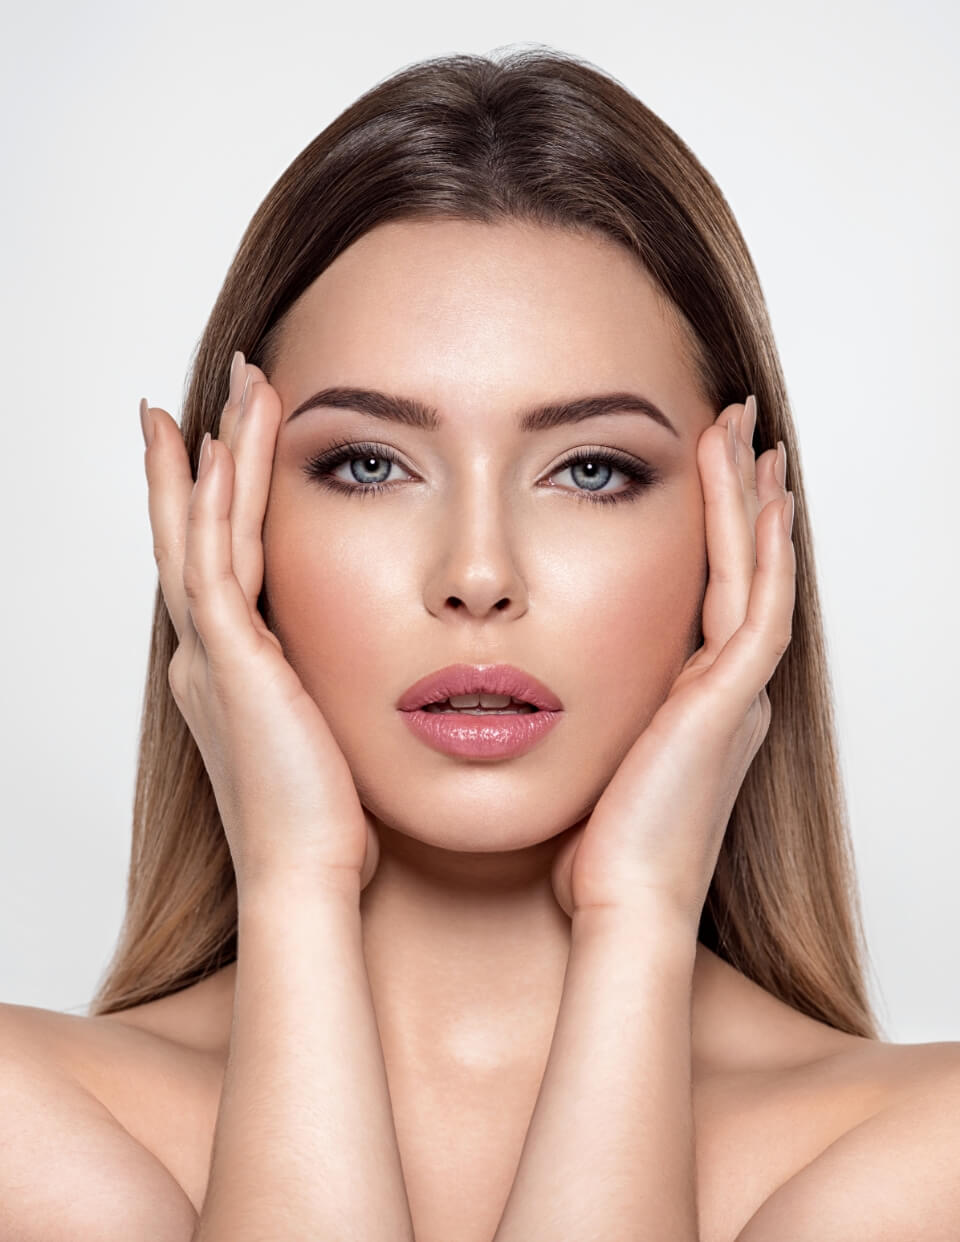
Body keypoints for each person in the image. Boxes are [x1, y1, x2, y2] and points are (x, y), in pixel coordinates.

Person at [2, 45, 958, 1242]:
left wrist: (641, 921)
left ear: (738, 542)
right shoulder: (24, 1126)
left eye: (593, 469)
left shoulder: (928, 1157)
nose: (478, 576)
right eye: (367, 464)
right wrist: (294, 888)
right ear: (225, 526)